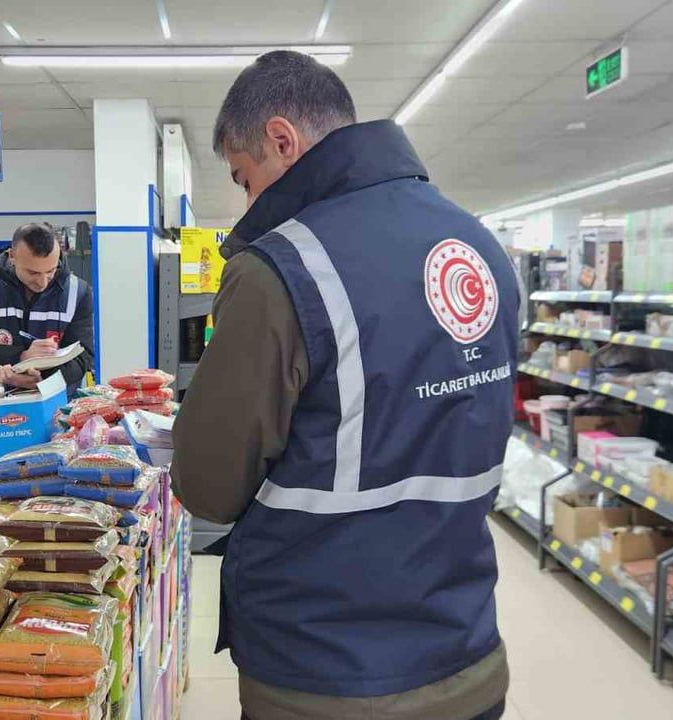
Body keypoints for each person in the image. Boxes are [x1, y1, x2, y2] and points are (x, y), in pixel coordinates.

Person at [170, 50, 519, 720]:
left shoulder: (283, 269)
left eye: (246, 180)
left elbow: (209, 485)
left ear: (282, 140)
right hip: (465, 648)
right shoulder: (479, 248)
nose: (249, 201)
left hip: (323, 666)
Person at [0, 222, 94, 396]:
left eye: (50, 270)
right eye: (33, 273)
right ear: (12, 256)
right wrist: (22, 357)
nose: (43, 282)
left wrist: (41, 381)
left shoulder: (78, 292)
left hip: (57, 406)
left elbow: (83, 357)